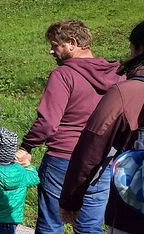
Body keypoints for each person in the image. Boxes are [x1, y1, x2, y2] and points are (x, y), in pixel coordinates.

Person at [15, 20, 120, 234]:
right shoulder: (117, 76)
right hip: (101, 160)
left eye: (55, 45)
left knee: (51, 224)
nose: (51, 51)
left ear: (72, 43)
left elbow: (48, 123)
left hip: (63, 158)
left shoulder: (63, 75)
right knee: (89, 226)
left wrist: (27, 146)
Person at [60, 20, 144, 234]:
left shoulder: (127, 92)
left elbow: (91, 150)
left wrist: (70, 200)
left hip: (134, 211)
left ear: (138, 49)